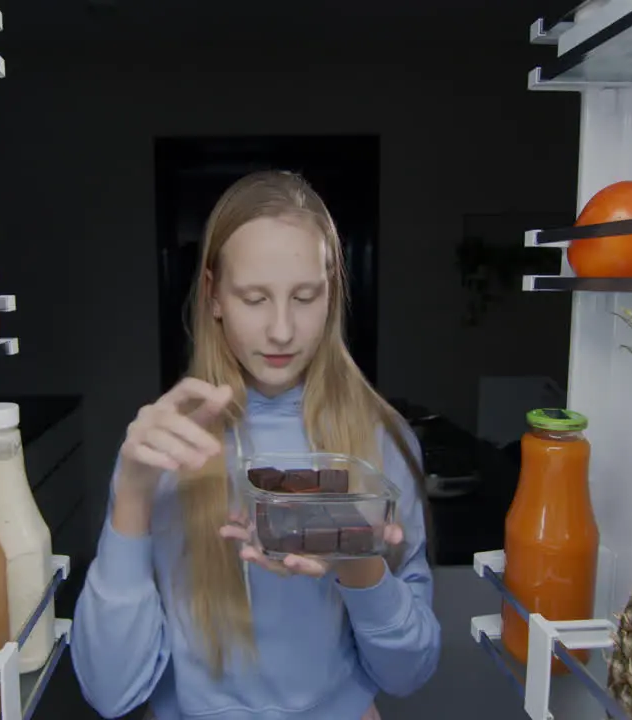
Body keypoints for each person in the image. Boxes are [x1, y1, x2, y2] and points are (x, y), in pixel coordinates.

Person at [71, 170, 441, 720]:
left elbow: (409, 673)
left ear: (332, 290)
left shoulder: (381, 441)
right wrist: (131, 496)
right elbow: (111, 692)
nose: (282, 330)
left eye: (305, 296)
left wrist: (359, 569)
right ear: (214, 294)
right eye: (253, 298)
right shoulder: (166, 445)